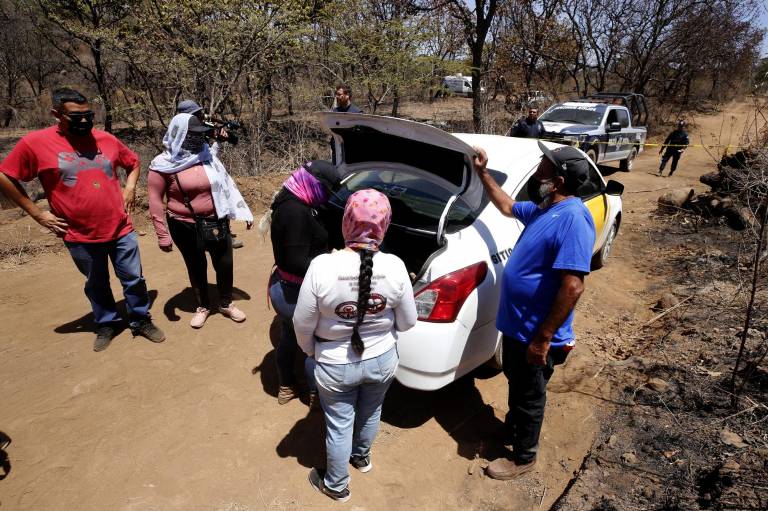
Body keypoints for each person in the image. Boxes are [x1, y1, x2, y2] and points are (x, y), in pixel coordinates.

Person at [0, 87, 165, 352]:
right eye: (76, 118)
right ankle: (107, 323)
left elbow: (132, 162)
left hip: (119, 227)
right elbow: (5, 175)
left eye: (89, 115)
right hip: (78, 234)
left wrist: (130, 187)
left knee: (134, 278)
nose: (85, 122)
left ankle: (140, 319)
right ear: (57, 114)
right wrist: (36, 212)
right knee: (96, 282)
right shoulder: (35, 143)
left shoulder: (106, 140)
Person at [472, 141, 595, 481]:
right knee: (518, 385)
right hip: (517, 328)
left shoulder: (573, 219)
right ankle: (513, 432)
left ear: (556, 181)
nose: (538, 169)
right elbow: (507, 206)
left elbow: (573, 286)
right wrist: (482, 173)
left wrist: (543, 338)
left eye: (544, 165)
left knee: (530, 396)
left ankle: (523, 456)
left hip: (536, 334)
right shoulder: (545, 209)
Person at [293, 188, 417, 503]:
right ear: (385, 225)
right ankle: (361, 457)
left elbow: (302, 323)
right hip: (382, 359)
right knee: (372, 409)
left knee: (339, 424)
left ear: (346, 222)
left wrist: (311, 351)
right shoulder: (397, 266)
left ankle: (336, 484)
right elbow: (408, 322)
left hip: (334, 364)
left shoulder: (322, 266)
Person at [148, 113, 253, 328]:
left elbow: (225, 184)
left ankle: (226, 303)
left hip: (217, 221)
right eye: (193, 135)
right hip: (184, 225)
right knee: (196, 266)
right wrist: (162, 234)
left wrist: (243, 212)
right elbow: (155, 201)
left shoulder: (206, 155)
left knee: (224, 264)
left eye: (200, 135)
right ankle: (203, 305)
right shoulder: (162, 164)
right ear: (180, 136)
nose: (198, 140)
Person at [268, 160, 341, 406]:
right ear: (313, 184)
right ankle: (315, 395)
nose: (327, 197)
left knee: (289, 335)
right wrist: (333, 262)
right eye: (326, 191)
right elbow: (297, 261)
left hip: (286, 288)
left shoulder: (292, 199)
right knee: (315, 345)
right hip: (297, 292)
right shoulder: (295, 212)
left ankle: (286, 385)